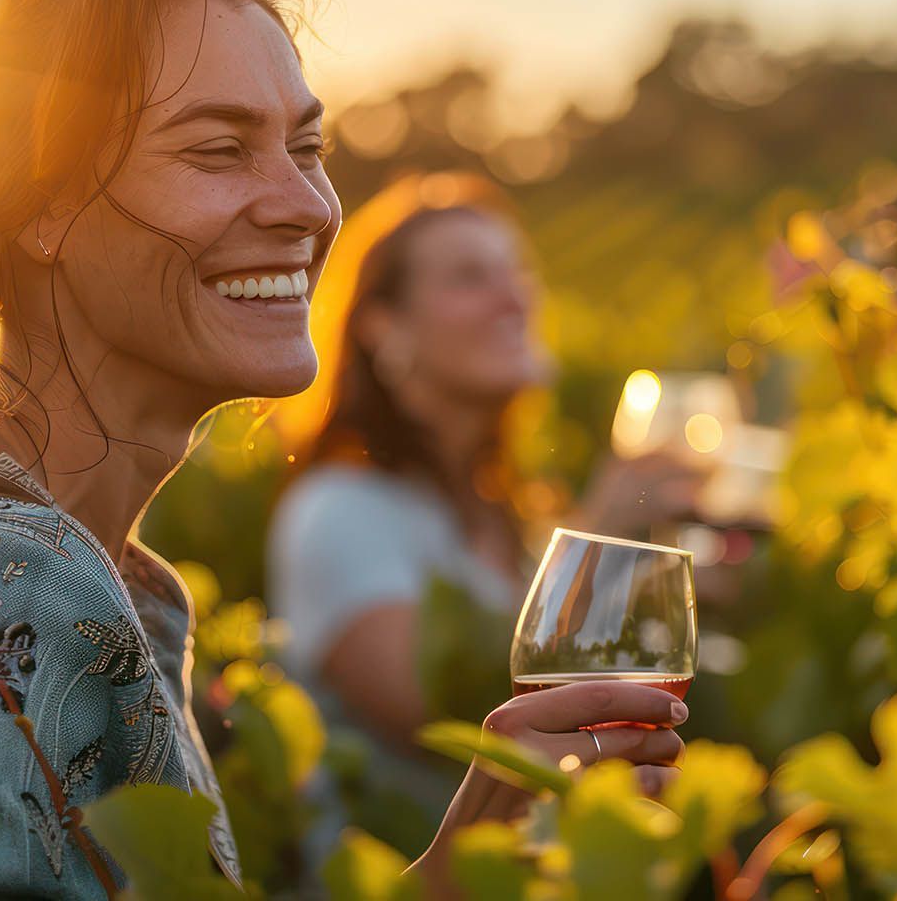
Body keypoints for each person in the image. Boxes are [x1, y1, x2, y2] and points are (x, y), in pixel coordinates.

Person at [0, 0, 685, 898]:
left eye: (307, 146)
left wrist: (448, 878)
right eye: (219, 150)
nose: (307, 204)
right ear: (39, 201)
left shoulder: (88, 577)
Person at [270, 178, 707, 848]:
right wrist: (602, 546)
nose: (516, 298)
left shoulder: (513, 516)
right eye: (471, 277)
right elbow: (441, 709)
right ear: (382, 325)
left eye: (517, 272)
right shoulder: (338, 511)